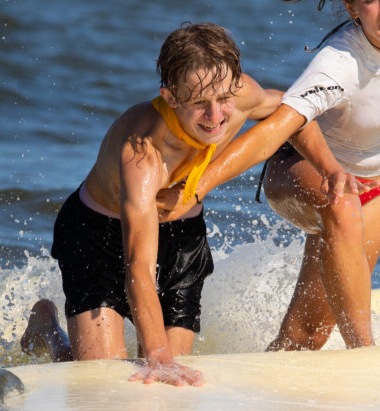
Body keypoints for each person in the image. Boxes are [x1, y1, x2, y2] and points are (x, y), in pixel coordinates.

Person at [158, 0, 380, 351]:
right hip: (301, 169)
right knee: (342, 204)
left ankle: (270, 394)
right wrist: (194, 189)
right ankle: (366, 358)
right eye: (370, 0)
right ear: (352, 9)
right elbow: (271, 132)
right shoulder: (338, 63)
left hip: (377, 183)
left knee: (307, 336)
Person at [21, 22, 284, 386]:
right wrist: (158, 358)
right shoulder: (143, 154)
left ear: (235, 85)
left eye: (223, 98)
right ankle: (48, 329)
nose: (216, 116)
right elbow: (138, 265)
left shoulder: (240, 95)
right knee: (101, 379)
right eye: (198, 104)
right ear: (171, 97)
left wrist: (332, 168)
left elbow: (297, 111)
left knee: (174, 380)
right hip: (98, 234)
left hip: (181, 235)